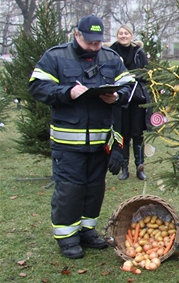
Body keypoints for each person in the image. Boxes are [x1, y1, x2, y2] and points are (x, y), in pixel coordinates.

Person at [28, 15, 134, 259]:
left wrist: (116, 97)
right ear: (77, 35)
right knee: (70, 190)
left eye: (98, 42)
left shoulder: (110, 58)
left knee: (94, 189)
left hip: (99, 143)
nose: (95, 47)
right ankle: (67, 238)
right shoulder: (56, 57)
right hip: (68, 143)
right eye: (90, 42)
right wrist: (68, 92)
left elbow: (131, 87)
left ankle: (87, 231)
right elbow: (37, 87)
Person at [108, 25, 150, 180]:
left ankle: (140, 167)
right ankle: (124, 168)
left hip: (136, 99)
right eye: (121, 33)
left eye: (126, 33)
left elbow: (147, 72)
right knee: (123, 134)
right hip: (119, 99)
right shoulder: (111, 52)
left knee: (137, 133)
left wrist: (136, 78)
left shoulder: (139, 53)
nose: (123, 35)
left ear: (131, 36)